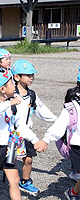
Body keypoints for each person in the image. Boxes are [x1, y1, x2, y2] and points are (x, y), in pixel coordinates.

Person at [0, 68, 40, 200]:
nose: (14, 86)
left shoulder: (13, 103)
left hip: (9, 147)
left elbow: (20, 126)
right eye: (11, 84)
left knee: (14, 180)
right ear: (2, 89)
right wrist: (8, 103)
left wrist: (35, 140)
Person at [11, 59, 57, 195]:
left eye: (32, 75)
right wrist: (35, 139)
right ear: (17, 77)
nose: (31, 78)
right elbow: (18, 123)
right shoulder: (10, 95)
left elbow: (42, 110)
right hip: (11, 133)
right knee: (5, 160)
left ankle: (25, 181)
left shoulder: (31, 95)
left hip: (26, 132)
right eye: (28, 75)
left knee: (29, 159)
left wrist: (57, 120)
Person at [35, 68, 80, 199]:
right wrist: (45, 139)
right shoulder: (72, 108)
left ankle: (74, 192)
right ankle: (73, 193)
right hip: (78, 147)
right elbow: (59, 126)